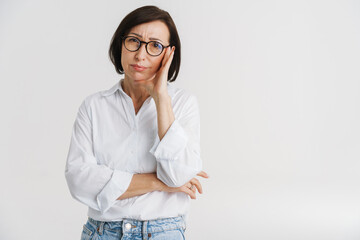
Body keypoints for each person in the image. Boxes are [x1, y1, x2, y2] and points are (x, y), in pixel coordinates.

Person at [65, 5, 209, 240]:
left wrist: (162, 98)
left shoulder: (183, 103)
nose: (141, 55)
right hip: (102, 232)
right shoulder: (93, 106)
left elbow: (178, 176)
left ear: (169, 53)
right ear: (120, 44)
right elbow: (79, 180)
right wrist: (159, 184)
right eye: (134, 41)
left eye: (155, 46)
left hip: (164, 232)